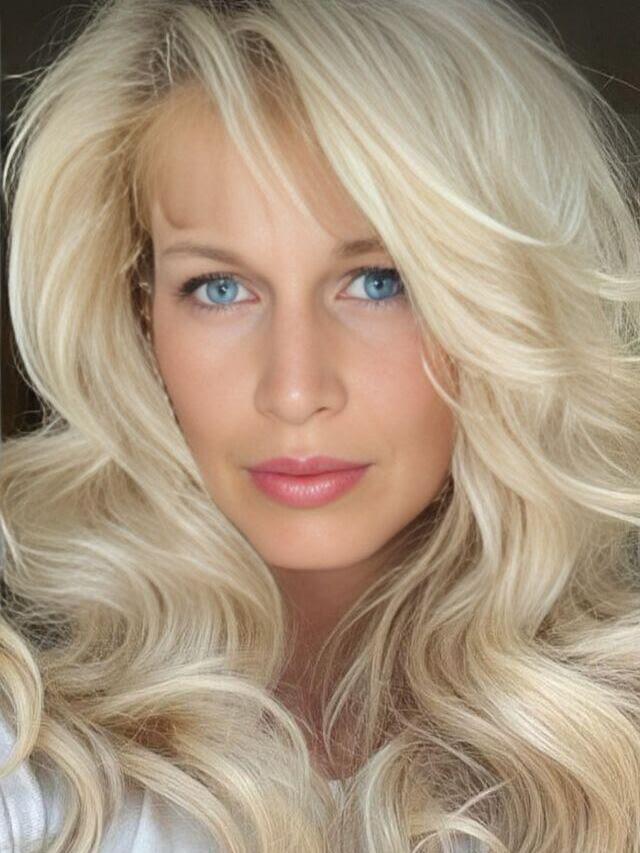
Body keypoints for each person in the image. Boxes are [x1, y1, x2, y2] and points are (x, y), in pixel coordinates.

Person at [1, 0, 639, 850]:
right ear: (139, 313)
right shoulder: (36, 768)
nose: (295, 390)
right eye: (220, 288)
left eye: (378, 281)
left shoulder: (609, 754)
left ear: (504, 302)